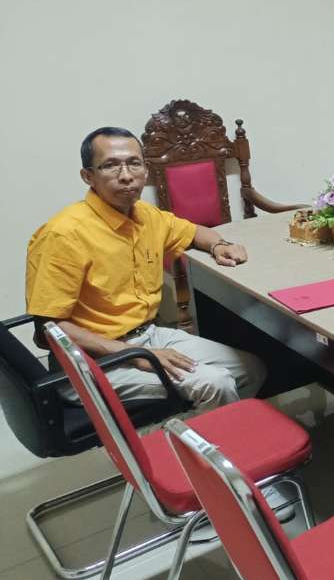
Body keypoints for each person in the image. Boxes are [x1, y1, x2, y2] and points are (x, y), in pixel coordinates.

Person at [26, 127, 267, 408]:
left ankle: (175, 437)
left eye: (134, 163)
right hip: (89, 359)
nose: (126, 175)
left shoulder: (145, 215)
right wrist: (133, 353)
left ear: (146, 169)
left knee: (251, 369)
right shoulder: (64, 234)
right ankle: (193, 446)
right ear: (88, 177)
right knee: (215, 383)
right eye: (110, 166)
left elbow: (192, 232)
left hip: (148, 335)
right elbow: (48, 328)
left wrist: (218, 245)